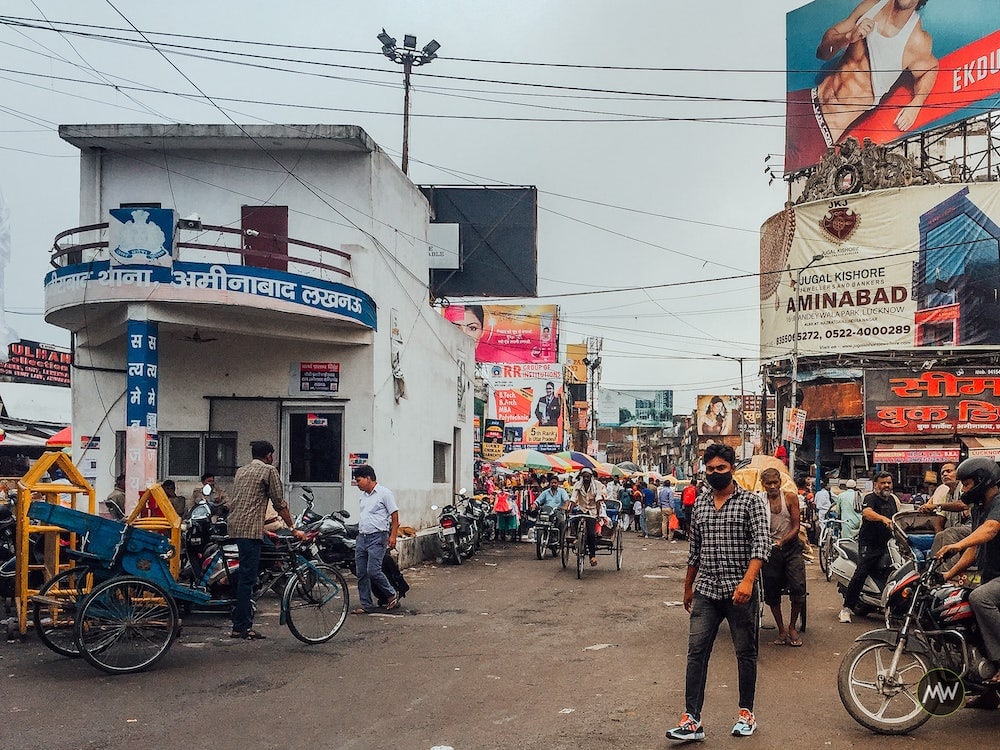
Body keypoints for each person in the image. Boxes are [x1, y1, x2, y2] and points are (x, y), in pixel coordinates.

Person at [666, 444, 770, 741]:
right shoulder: (699, 504)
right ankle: (691, 720)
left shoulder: (751, 502)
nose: (715, 474)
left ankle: (746, 713)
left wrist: (748, 581)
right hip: (707, 591)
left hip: (740, 592)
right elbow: (694, 550)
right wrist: (688, 587)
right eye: (710, 469)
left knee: (745, 653)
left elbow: (761, 546)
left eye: (720, 468)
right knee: (696, 653)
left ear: (732, 469)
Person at [785, 0, 938, 172]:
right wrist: (848, 37)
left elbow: (931, 68)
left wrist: (916, 104)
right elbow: (822, 52)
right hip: (805, 100)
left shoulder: (917, 40)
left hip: (821, 134)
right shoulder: (872, 6)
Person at [936, 457, 1000, 702]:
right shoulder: (979, 508)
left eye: (967, 483)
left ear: (983, 482)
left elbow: (991, 529)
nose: (963, 489)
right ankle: (988, 692)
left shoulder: (998, 503)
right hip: (992, 576)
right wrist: (948, 575)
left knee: (980, 597)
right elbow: (973, 548)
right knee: (963, 601)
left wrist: (958, 542)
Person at [228, 440, 303, 639]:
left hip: (238, 527)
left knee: (266, 557)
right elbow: (279, 503)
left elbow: (246, 502)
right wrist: (293, 528)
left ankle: (246, 601)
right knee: (247, 578)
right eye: (272, 455)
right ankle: (241, 626)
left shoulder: (241, 471)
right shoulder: (269, 471)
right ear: (269, 455)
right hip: (250, 531)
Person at [839, 471, 898, 623]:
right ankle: (846, 608)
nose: (886, 485)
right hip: (870, 544)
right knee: (861, 572)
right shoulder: (870, 498)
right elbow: (867, 513)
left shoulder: (892, 499)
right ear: (875, 485)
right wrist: (883, 518)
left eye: (888, 482)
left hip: (889, 544)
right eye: (883, 483)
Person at [760, 468, 806, 647]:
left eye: (775, 482)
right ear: (763, 484)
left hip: (791, 547)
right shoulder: (759, 501)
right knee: (771, 589)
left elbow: (796, 526)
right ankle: (781, 628)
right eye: (768, 483)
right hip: (770, 550)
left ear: (780, 482)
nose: (772, 486)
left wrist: (783, 541)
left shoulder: (790, 498)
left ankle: (792, 626)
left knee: (798, 586)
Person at [352, 464, 400, 614]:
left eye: (359, 480)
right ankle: (366, 604)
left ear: (368, 478)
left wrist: (393, 536)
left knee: (373, 570)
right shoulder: (363, 497)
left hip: (378, 537)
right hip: (362, 537)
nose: (357, 484)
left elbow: (394, 515)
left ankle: (391, 594)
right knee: (361, 573)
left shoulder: (384, 494)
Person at [921, 461, 970, 567]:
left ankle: (951, 575)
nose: (945, 474)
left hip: (973, 527)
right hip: (959, 529)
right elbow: (940, 520)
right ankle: (933, 571)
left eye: (949, 471)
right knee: (940, 535)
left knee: (949, 532)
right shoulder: (948, 494)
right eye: (943, 473)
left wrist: (936, 506)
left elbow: (962, 505)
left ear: (958, 473)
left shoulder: (963, 487)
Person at [569, 468, 608, 567]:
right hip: (582, 509)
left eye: (588, 476)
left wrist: (599, 515)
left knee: (591, 534)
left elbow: (598, 500)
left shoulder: (597, 485)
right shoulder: (578, 485)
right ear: (582, 477)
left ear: (591, 477)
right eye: (584, 476)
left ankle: (592, 556)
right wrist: (569, 511)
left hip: (593, 511)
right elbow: (573, 499)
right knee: (574, 520)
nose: (586, 478)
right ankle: (576, 537)